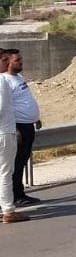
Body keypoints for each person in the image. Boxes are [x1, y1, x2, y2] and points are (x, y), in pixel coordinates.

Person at [3, 48, 43, 207]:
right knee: (16, 163)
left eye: (21, 59)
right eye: (17, 60)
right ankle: (15, 195)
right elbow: (7, 107)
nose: (21, 63)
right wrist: (15, 129)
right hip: (18, 127)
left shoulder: (18, 77)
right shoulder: (5, 81)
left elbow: (24, 100)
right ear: (8, 62)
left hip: (27, 125)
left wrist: (35, 118)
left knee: (22, 160)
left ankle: (19, 193)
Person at [0, 51, 26, 224]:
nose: (6, 63)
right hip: (3, 132)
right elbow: (1, 107)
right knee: (5, 173)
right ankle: (8, 211)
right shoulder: (1, 80)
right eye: (3, 60)